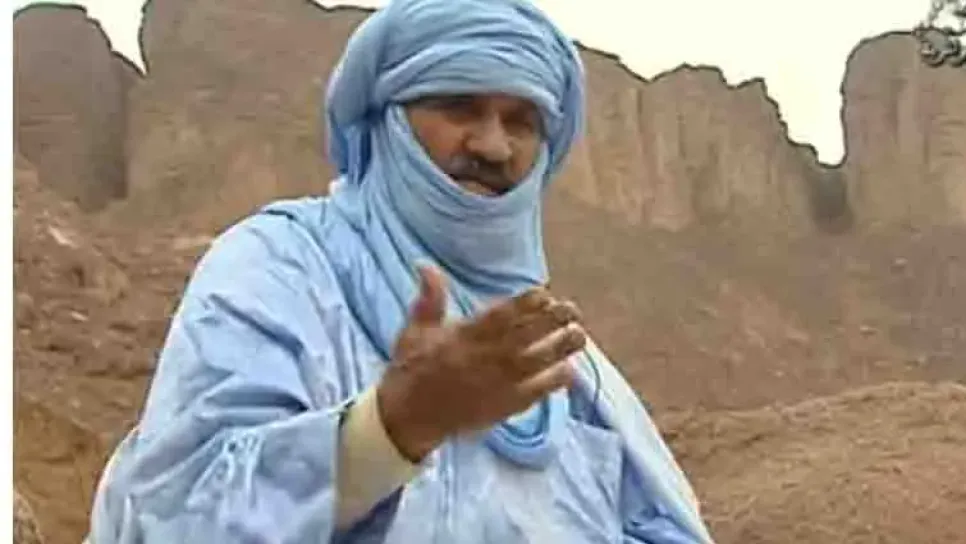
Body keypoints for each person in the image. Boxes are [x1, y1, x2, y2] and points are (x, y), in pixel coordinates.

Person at [86, 0, 713, 542]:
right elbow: (178, 513)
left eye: (521, 122)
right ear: (387, 120)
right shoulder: (279, 267)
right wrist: (392, 427)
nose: (493, 146)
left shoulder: (562, 361)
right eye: (460, 106)